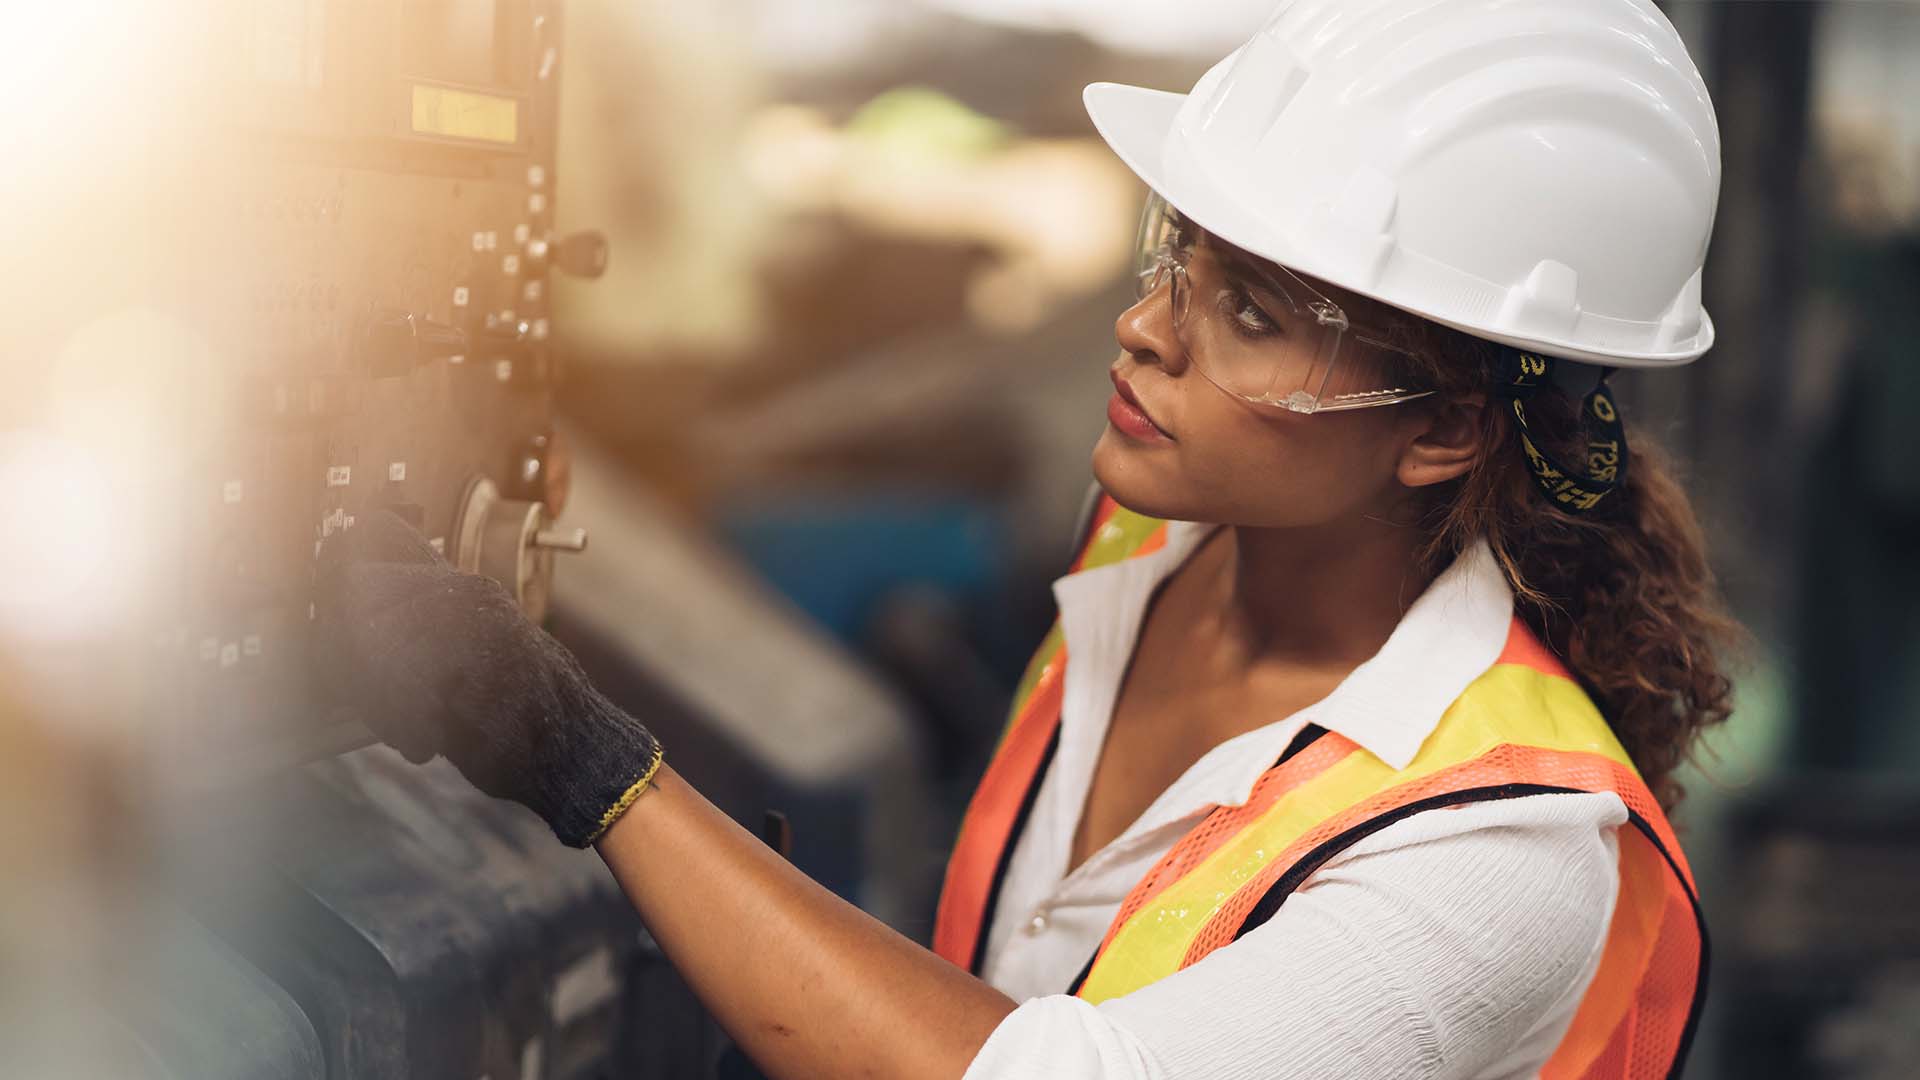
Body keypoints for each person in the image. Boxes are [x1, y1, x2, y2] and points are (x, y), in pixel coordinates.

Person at [315, 1, 1739, 1076]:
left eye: (1248, 312)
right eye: (1176, 250)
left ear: (1444, 433)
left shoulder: (1502, 855)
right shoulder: (1153, 536)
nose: (1142, 326)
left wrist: (586, 763)